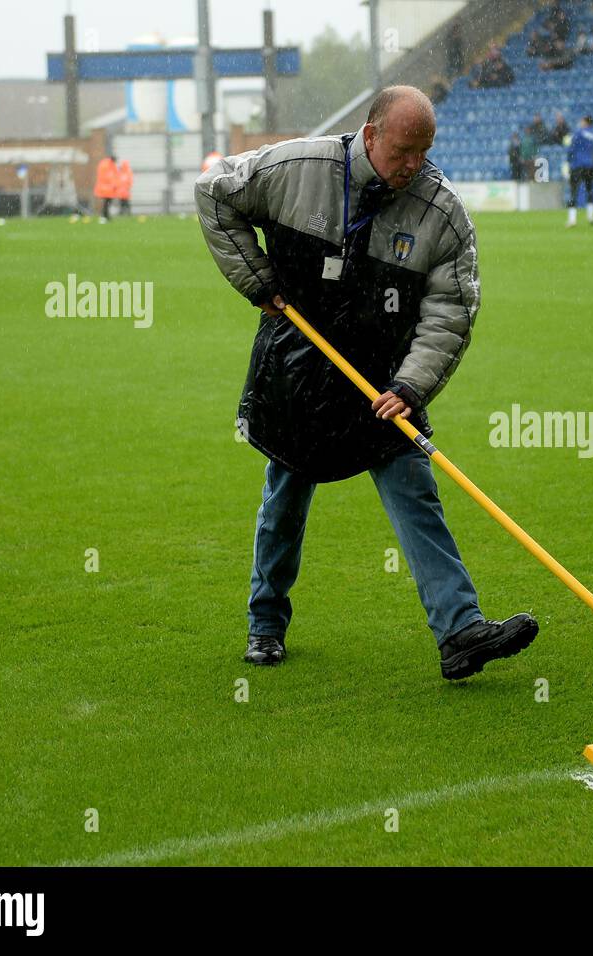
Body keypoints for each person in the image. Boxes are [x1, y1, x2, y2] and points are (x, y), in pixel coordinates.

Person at [195, 86, 538, 674]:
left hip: (382, 384)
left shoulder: (440, 213)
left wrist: (409, 388)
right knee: (284, 500)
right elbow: (214, 192)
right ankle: (266, 623)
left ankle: (460, 632)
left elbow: (450, 310)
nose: (413, 166)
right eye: (404, 151)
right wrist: (258, 280)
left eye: (423, 152)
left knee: (415, 495)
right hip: (299, 368)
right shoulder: (296, 169)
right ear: (371, 135)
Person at [566, 115, 593, 227]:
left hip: (577, 165)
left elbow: (571, 149)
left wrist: (569, 160)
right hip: (590, 165)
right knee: (590, 190)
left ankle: (572, 220)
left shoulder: (578, 133)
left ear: (585, 122)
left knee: (573, 192)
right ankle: (590, 217)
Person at [93, 154, 118, 219]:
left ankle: (106, 215)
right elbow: (109, 177)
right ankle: (104, 215)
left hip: (107, 189)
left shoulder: (107, 164)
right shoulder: (107, 165)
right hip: (106, 189)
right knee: (107, 203)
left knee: (107, 203)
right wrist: (113, 184)